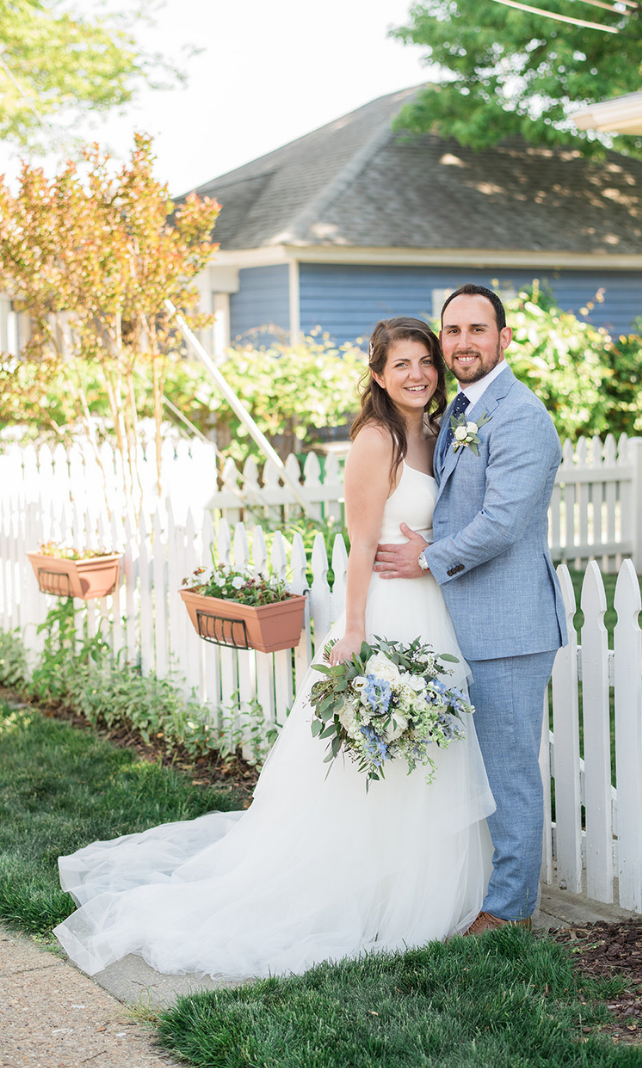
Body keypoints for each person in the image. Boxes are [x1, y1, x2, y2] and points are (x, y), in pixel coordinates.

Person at [54, 317, 496, 979]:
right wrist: (353, 631)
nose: (417, 374)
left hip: (436, 610)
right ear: (378, 376)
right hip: (387, 611)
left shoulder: (436, 435)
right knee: (372, 756)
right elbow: (361, 546)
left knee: (427, 747)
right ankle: (361, 888)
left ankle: (423, 884)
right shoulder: (376, 441)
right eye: (400, 364)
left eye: (424, 362)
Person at [373, 283, 568, 932]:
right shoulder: (461, 409)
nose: (461, 343)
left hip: (509, 626)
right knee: (477, 770)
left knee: (509, 772)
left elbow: (505, 521)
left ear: (503, 338)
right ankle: (483, 887)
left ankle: (511, 911)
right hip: (466, 622)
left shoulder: (519, 415)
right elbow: (459, 505)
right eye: (451, 331)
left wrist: (427, 558)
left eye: (476, 330)